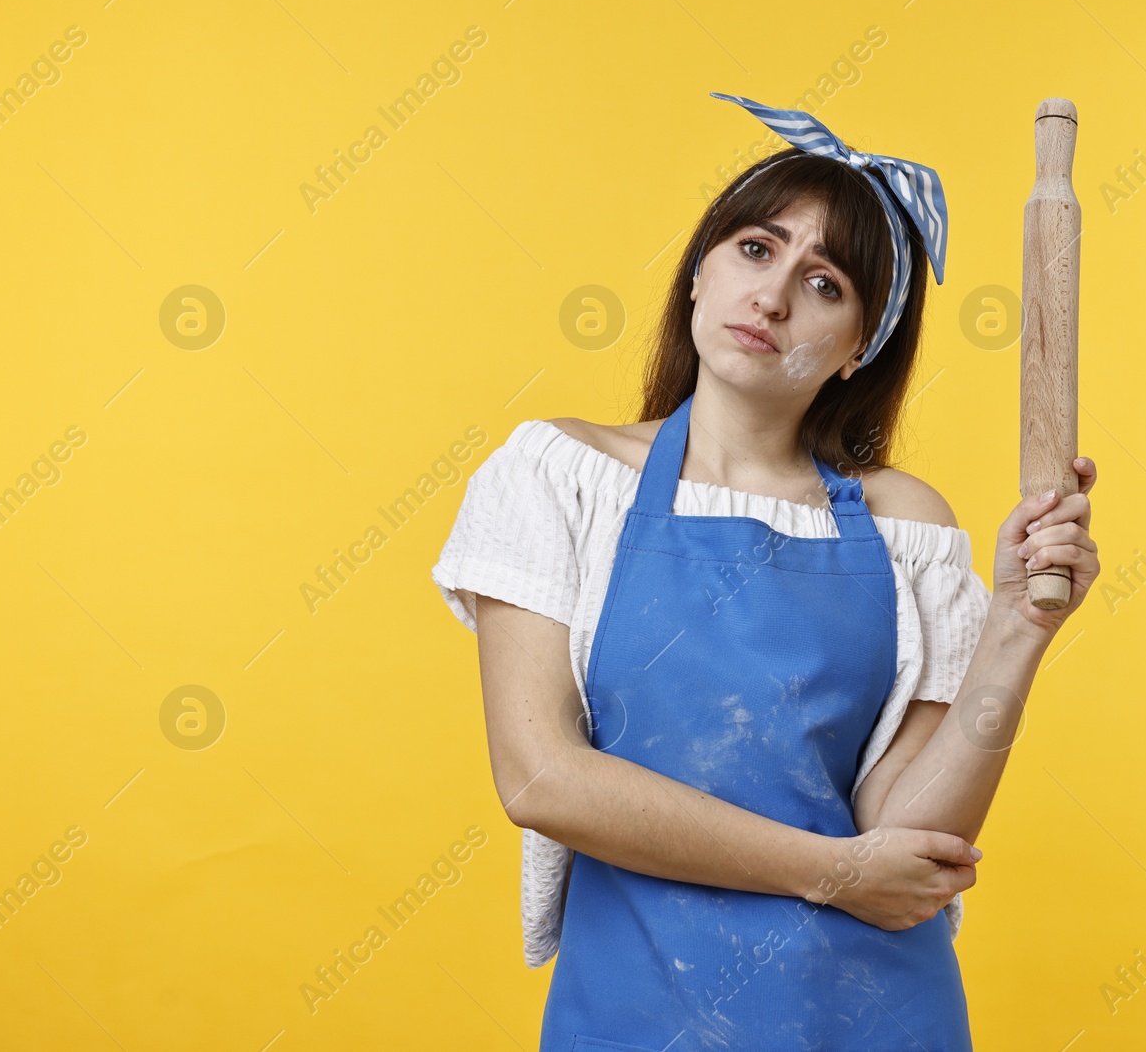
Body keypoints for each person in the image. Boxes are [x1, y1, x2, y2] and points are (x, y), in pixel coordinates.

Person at [431, 93, 1100, 1051]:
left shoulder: (905, 525)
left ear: (857, 350)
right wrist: (831, 871)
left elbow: (905, 829)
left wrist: (1017, 633)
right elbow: (545, 778)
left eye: (825, 283)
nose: (775, 296)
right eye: (756, 248)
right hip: (638, 1012)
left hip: (874, 1015)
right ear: (698, 273)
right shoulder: (561, 477)